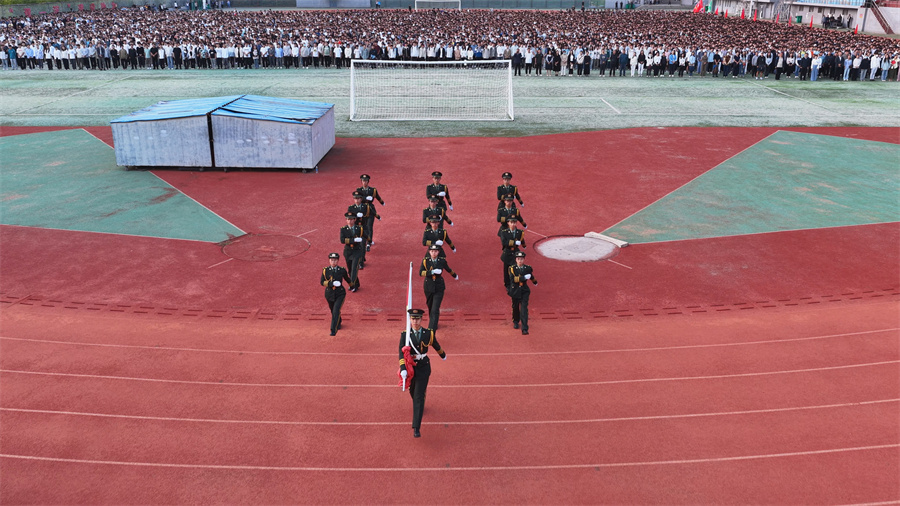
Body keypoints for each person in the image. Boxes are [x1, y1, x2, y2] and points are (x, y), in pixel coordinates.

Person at [398, 308, 446, 438]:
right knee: (413, 392)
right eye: (413, 319)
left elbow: (435, 344)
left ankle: (416, 427)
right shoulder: (405, 335)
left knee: (418, 396)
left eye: (417, 319)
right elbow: (401, 353)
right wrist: (403, 368)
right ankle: (420, 404)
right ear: (410, 320)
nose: (415, 321)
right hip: (411, 368)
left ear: (421, 319)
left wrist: (443, 355)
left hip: (424, 367)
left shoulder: (428, 333)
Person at [420, 245, 458, 330]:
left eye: (436, 251)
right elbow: (421, 273)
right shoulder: (425, 261)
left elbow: (448, 269)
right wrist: (431, 272)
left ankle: (432, 328)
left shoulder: (441, 261)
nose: (434, 253)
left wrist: (455, 275)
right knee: (430, 306)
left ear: (438, 252)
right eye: (432, 251)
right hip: (428, 286)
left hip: (439, 286)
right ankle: (433, 322)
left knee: (435, 308)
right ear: (429, 252)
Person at [320, 252, 351, 336]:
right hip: (329, 294)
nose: (333, 262)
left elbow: (347, 278)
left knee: (336, 310)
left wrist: (352, 285)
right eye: (332, 260)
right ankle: (338, 321)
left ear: (338, 261)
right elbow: (322, 282)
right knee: (332, 310)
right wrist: (331, 284)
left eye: (335, 260)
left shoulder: (342, 270)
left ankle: (333, 329)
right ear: (329, 261)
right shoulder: (325, 270)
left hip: (340, 293)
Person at [507, 251, 537, 335]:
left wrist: (535, 282)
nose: (520, 261)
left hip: (524, 290)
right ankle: (516, 321)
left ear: (524, 259)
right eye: (518, 259)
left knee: (524, 309)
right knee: (515, 307)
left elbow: (531, 276)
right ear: (516, 260)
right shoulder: (512, 268)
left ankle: (524, 328)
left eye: (521, 259)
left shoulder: (527, 268)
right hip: (515, 290)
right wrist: (523, 278)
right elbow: (513, 279)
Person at [347, 191, 379, 268]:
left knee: (362, 245)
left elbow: (369, 216)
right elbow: (349, 219)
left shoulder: (365, 207)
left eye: (358, 198)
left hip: (363, 228)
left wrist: (377, 216)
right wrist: (356, 216)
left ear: (361, 199)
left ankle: (361, 262)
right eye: (355, 198)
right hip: (354, 229)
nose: (357, 200)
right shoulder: (351, 208)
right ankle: (359, 258)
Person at [339, 212, 368, 292]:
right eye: (348, 219)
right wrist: (353, 240)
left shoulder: (359, 228)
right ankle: (356, 283)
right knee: (350, 270)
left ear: (355, 220)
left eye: (351, 219)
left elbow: (365, 235)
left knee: (354, 268)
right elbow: (342, 240)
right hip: (348, 251)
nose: (349, 221)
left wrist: (368, 241)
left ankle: (352, 285)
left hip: (357, 251)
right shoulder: (343, 229)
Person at [355, 173, 385, 245]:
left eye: (365, 181)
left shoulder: (372, 190)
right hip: (362, 210)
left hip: (370, 209)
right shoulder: (359, 190)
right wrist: (365, 198)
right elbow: (357, 198)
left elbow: (377, 196)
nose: (364, 182)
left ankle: (369, 242)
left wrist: (382, 202)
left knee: (369, 226)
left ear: (368, 181)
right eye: (363, 181)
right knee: (362, 226)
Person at [499, 216, 525, 288]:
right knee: (506, 270)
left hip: (515, 252)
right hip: (507, 252)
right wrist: (514, 242)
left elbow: (522, 239)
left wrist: (523, 244)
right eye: (511, 222)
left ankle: (515, 283)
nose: (513, 224)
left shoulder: (519, 232)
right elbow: (504, 242)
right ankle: (507, 284)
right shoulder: (504, 232)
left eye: (514, 223)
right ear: (508, 223)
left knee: (516, 269)